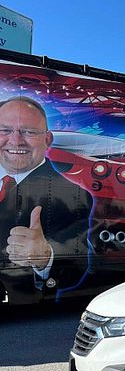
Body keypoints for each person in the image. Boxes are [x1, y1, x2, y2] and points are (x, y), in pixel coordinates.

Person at [0, 96, 93, 304]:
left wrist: (45, 258)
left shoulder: (71, 194)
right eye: (4, 130)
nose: (15, 141)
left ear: (47, 140)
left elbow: (78, 266)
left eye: (29, 131)